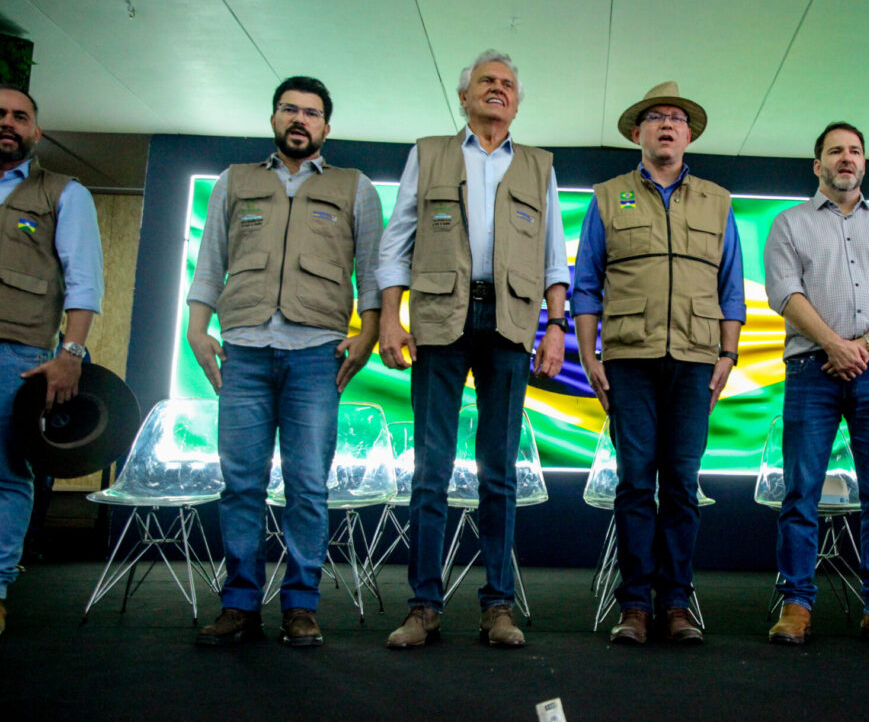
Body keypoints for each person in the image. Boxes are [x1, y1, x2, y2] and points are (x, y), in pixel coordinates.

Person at [379, 50, 569, 650]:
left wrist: (557, 327)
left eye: (507, 84)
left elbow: (554, 255)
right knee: (430, 469)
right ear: (464, 96)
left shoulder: (539, 166)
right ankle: (423, 607)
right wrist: (389, 316)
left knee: (500, 471)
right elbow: (397, 239)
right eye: (486, 81)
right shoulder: (429, 153)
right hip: (440, 317)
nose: (497, 89)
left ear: (517, 102)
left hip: (509, 321)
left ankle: (498, 607)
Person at [187, 76, 383, 648]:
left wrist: (369, 332)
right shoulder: (234, 181)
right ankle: (239, 603)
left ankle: (301, 605)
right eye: (290, 109)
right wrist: (197, 328)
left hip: (317, 354)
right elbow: (210, 263)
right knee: (240, 485)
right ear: (274, 118)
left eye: (311, 113)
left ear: (327, 127)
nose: (300, 119)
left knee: (307, 486)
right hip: (244, 350)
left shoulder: (355, 187)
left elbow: (372, 272)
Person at [571, 81, 745, 645]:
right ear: (637, 133)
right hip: (629, 360)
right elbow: (586, 283)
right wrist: (589, 355)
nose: (667, 124)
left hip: (696, 361)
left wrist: (728, 354)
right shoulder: (607, 196)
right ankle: (634, 606)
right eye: (655, 117)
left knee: (682, 486)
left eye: (677, 118)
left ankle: (675, 604)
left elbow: (731, 287)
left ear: (688, 134)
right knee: (633, 484)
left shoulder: (717, 200)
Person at [762, 122, 869, 646]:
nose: (846, 158)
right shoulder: (789, 223)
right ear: (818, 165)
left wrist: (865, 347)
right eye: (835, 151)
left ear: (863, 163)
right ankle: (796, 605)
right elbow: (783, 293)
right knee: (801, 493)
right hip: (811, 369)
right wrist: (835, 344)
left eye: (855, 151)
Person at [0, 85, 104, 637]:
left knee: (4, 472)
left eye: (20, 117)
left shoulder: (65, 193)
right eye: (0, 114)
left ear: (36, 132)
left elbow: (85, 281)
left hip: (18, 353)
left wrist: (71, 353)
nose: (9, 122)